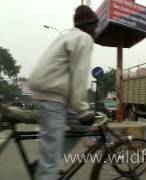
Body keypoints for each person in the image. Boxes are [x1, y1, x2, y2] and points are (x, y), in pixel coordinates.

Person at [29, 5, 98, 180]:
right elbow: (79, 77)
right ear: (88, 25)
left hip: (54, 97)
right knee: (49, 166)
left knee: (80, 126)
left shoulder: (67, 36)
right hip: (51, 99)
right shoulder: (83, 38)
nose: (96, 30)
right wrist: (83, 110)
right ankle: (46, 167)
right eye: (94, 26)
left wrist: (81, 113)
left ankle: (48, 159)